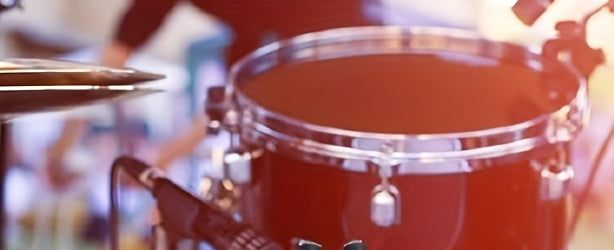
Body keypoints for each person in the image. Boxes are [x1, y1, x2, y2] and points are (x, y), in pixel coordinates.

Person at [45, 0, 381, 185]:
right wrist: (65, 143)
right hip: (294, 55)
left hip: (351, 61)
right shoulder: (248, 31)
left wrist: (162, 160)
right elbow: (115, 56)